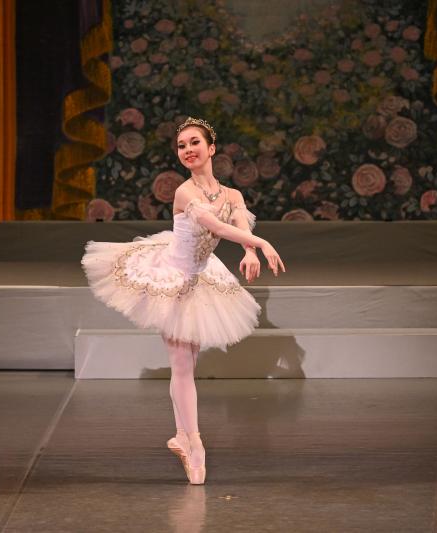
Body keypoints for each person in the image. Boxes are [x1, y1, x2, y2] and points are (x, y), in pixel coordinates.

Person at [81, 117, 286, 485]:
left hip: (202, 275)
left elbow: (239, 224)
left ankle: (182, 436)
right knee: (181, 363)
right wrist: (263, 244)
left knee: (187, 362)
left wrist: (249, 250)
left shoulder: (232, 195)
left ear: (211, 148)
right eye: (181, 145)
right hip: (172, 275)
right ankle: (194, 444)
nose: (188, 150)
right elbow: (217, 227)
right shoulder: (184, 193)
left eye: (194, 143)